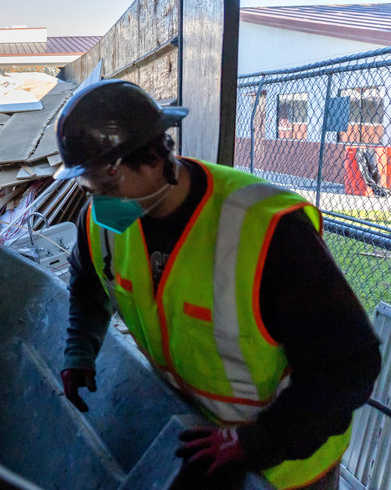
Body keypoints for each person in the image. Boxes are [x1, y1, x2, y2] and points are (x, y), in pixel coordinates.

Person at [53, 79, 381, 489]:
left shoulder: (266, 232)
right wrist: (79, 348)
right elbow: (88, 283)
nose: (98, 198)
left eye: (108, 181)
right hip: (199, 437)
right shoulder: (103, 222)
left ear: (154, 158)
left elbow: (350, 365)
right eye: (88, 184)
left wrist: (260, 441)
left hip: (288, 463)